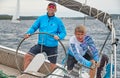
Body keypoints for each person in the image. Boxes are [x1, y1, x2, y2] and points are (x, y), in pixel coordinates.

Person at [23, 2, 66, 71]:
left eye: (53, 7)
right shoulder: (41, 18)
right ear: (47, 8)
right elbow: (33, 28)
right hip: (41, 44)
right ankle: (25, 74)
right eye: (50, 7)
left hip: (52, 47)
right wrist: (28, 33)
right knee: (27, 56)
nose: (51, 8)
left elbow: (63, 32)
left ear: (55, 10)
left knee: (53, 66)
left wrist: (59, 37)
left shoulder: (58, 21)